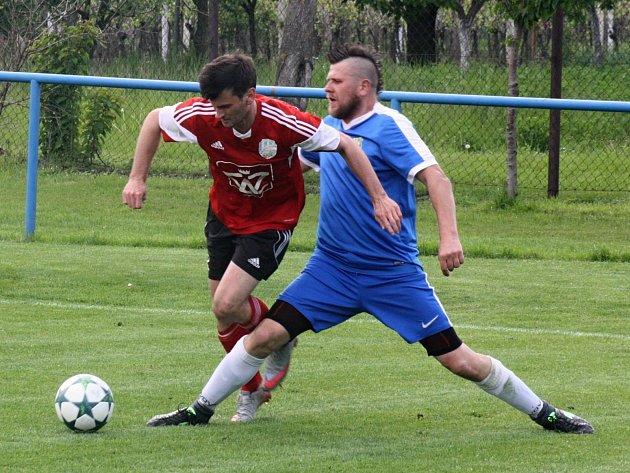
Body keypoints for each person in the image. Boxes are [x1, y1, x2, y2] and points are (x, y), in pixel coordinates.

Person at [145, 44, 594, 434]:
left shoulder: (389, 126)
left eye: (336, 81)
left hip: (391, 275)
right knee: (263, 337)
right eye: (326, 80)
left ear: (363, 87)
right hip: (331, 271)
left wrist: (449, 237)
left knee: (459, 360)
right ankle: (199, 411)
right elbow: (295, 161)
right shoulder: (328, 132)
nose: (327, 88)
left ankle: (547, 414)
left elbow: (436, 178)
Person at [123, 53, 402, 422]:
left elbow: (347, 145)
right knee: (225, 316)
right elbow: (153, 120)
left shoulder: (283, 121)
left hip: (272, 220)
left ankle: (274, 343)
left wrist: (379, 197)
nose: (217, 114)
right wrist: (137, 177)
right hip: (224, 214)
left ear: (250, 95)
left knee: (226, 303)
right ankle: (255, 383)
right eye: (211, 105)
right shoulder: (203, 114)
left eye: (225, 106)